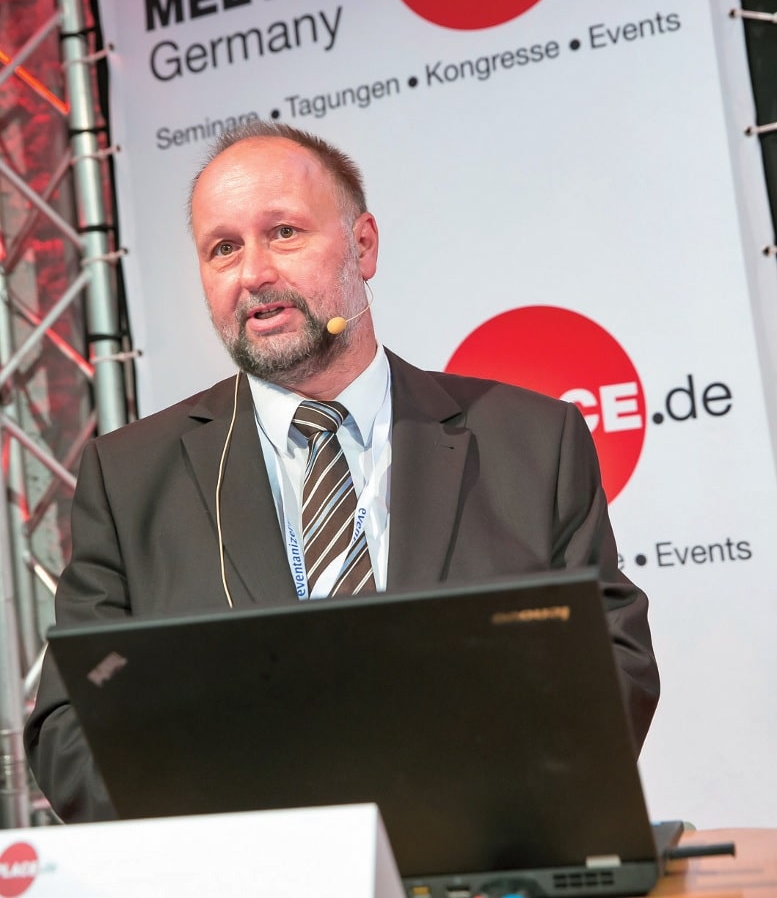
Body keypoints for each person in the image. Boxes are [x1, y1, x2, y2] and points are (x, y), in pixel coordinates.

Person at [25, 121, 659, 822]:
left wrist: (474, 804)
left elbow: (612, 658)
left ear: (363, 245)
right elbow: (68, 728)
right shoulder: (129, 478)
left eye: (283, 233)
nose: (253, 272)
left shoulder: (532, 442)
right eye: (223, 248)